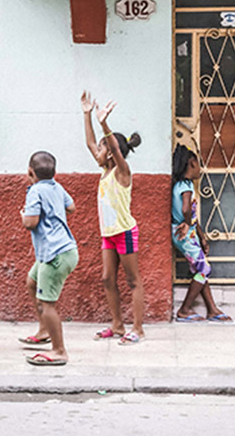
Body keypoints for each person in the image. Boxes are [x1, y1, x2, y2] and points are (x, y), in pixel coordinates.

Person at [81, 91, 145, 345]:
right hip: (108, 234)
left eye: (101, 148)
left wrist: (104, 124)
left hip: (125, 233)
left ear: (109, 152)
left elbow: (116, 149)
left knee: (133, 280)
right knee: (107, 278)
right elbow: (89, 143)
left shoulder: (122, 172)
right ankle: (117, 325)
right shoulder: (105, 172)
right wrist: (86, 114)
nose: (96, 151)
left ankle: (138, 329)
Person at [19, 151, 79, 366]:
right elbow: (71, 207)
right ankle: (44, 330)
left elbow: (30, 223)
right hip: (64, 250)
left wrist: (24, 214)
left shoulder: (35, 191)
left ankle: (59, 350)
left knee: (47, 304)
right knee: (32, 282)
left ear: (30, 172)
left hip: (54, 254)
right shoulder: (56, 186)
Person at [171, 144, 231, 322]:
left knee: (199, 270)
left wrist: (202, 236)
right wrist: (187, 223)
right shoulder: (185, 186)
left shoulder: (182, 185)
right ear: (191, 163)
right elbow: (186, 209)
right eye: (198, 164)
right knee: (204, 268)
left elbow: (192, 216)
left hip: (188, 234)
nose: (200, 169)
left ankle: (212, 309)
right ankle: (184, 309)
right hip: (184, 234)